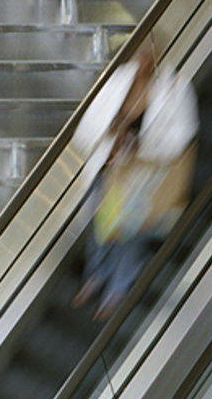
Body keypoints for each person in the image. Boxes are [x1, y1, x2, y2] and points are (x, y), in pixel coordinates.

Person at [70, 38, 199, 319]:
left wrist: (145, 147)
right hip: (109, 170)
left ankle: (118, 288)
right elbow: (88, 122)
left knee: (131, 232)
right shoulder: (117, 83)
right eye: (141, 54)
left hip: (143, 176)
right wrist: (109, 134)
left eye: (150, 55)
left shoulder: (175, 88)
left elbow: (184, 134)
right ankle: (96, 275)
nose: (144, 60)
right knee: (99, 224)